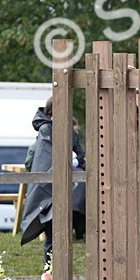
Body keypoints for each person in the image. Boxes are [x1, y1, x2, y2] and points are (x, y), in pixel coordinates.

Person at [20, 99, 87, 262]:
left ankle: (58, 268)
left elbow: (79, 152)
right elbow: (47, 159)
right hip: (48, 191)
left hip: (68, 188)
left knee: (64, 232)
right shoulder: (45, 129)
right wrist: (70, 161)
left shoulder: (67, 128)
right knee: (52, 232)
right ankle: (49, 270)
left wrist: (76, 161)